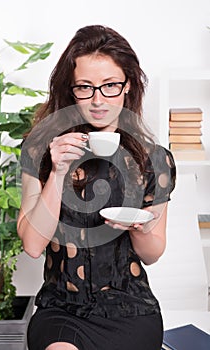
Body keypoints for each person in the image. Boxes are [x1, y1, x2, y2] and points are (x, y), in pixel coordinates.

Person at [17, 25, 176, 350]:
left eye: (110, 86)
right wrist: (59, 172)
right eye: (85, 88)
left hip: (130, 309)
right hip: (62, 310)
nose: (98, 100)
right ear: (70, 89)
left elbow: (152, 253)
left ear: (128, 86)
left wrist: (137, 227)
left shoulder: (154, 160)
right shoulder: (40, 150)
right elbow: (33, 245)